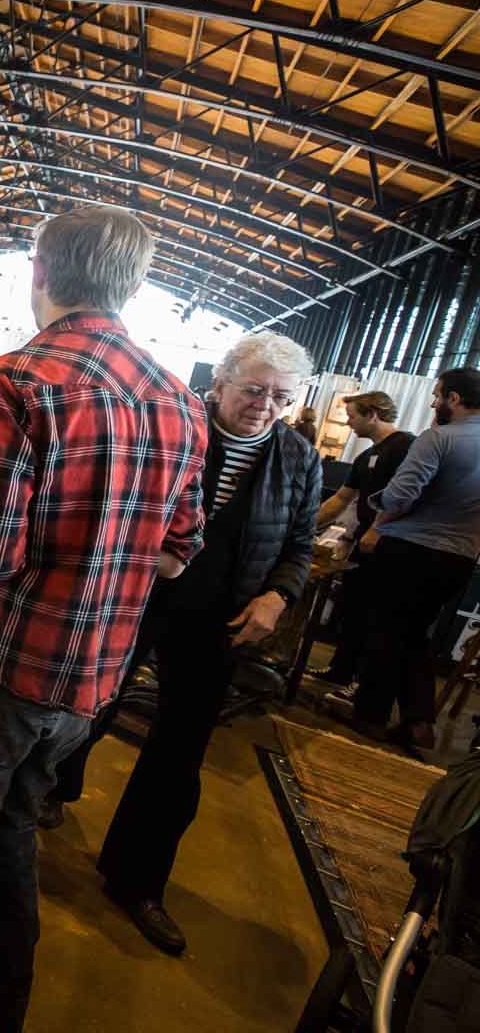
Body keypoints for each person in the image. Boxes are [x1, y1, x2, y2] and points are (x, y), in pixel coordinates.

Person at [0, 207, 208, 1033]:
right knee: (12, 838)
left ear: (40, 270)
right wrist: (108, 548)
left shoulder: (17, 380)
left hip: (3, 663)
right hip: (91, 679)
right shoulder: (180, 400)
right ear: (134, 283)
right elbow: (179, 552)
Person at [93, 332, 319, 955]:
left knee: (179, 749)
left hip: (220, 616)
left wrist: (278, 596)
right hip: (139, 594)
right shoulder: (174, 428)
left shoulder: (297, 457)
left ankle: (136, 881)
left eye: (281, 396)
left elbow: (300, 544)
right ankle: (51, 794)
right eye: (254, 390)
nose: (265, 405)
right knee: (89, 705)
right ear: (219, 384)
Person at [345, 368, 480, 749]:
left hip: (411, 550)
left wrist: (377, 504)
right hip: (461, 558)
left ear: (454, 398)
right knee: (415, 634)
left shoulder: (438, 438)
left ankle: (369, 715)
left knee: (386, 632)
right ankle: (418, 720)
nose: (434, 403)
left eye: (438, 395)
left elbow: (400, 495)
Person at [312, 391, 413, 686]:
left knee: (375, 614)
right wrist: (304, 525)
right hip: (363, 542)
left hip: (389, 543)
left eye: (352, 416)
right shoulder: (365, 456)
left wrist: (379, 529)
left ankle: (361, 681)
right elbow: (340, 499)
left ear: (372, 414)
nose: (348, 423)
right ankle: (340, 671)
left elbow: (409, 495)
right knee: (352, 607)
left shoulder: (406, 447)